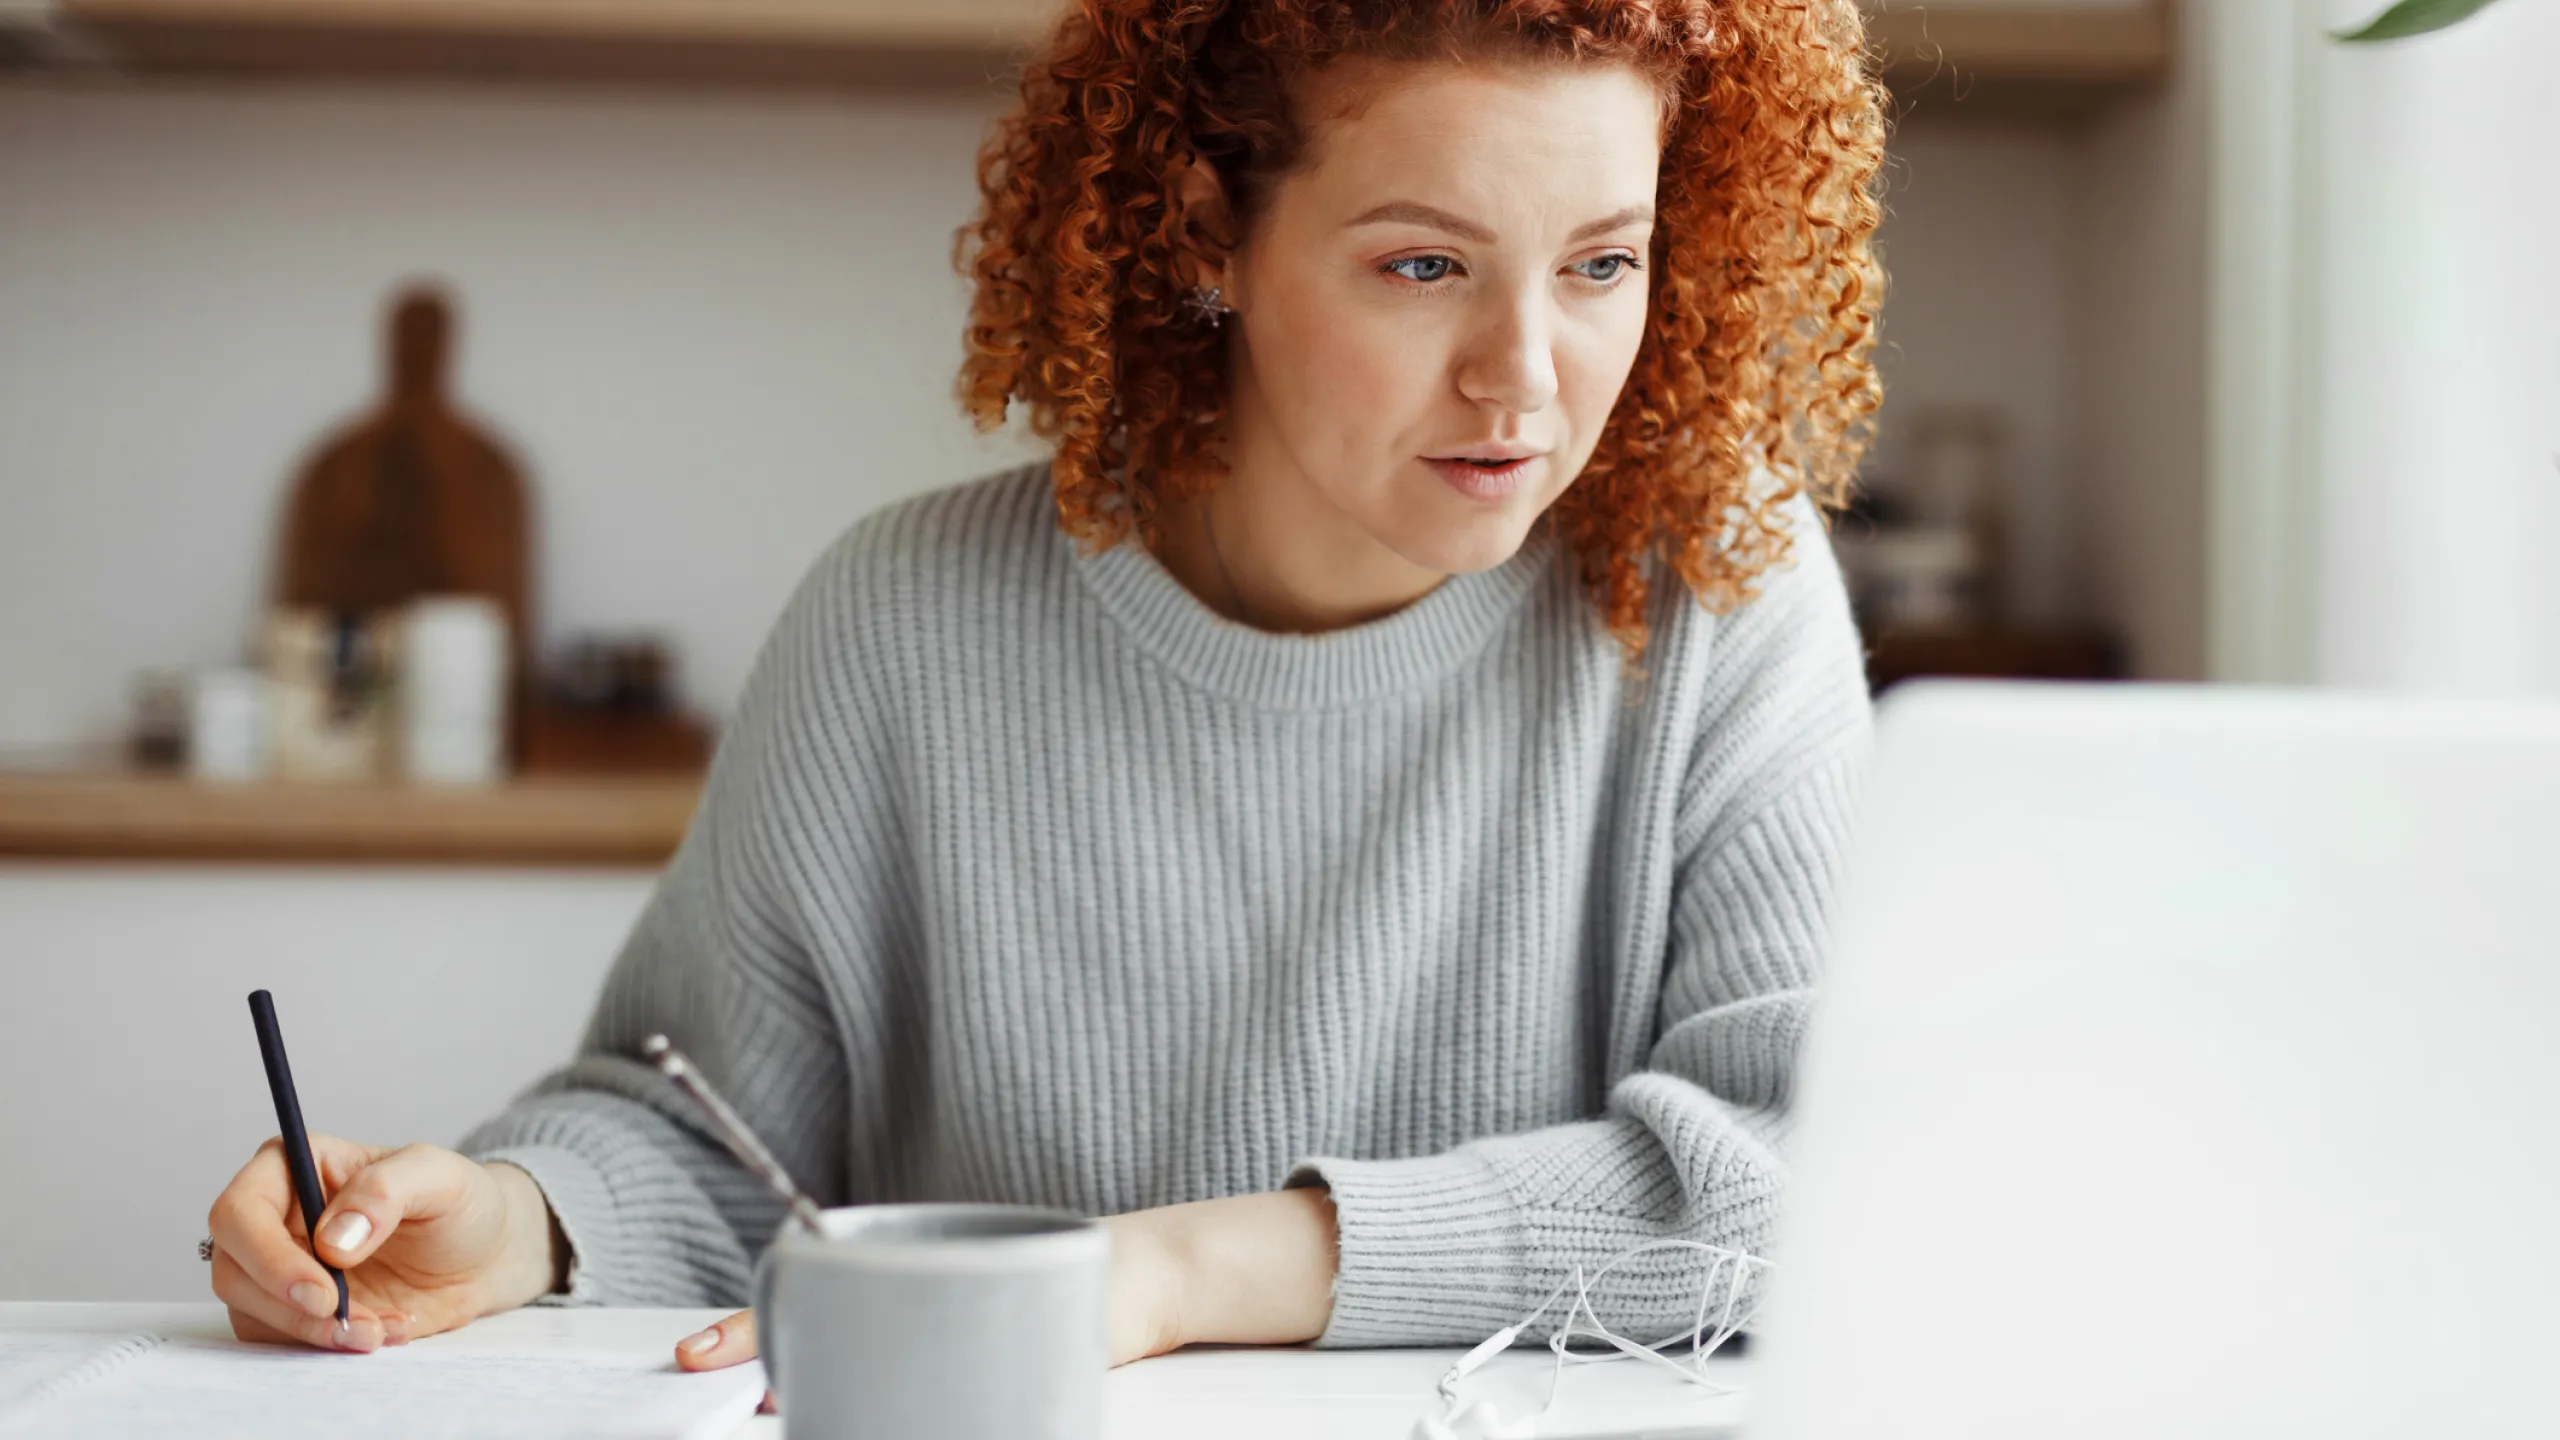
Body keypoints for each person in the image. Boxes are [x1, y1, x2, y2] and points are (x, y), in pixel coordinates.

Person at [203, 0, 1886, 1375]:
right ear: (1214, 233)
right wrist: (517, 1220)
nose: (1526, 376)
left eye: (1603, 264)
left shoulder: (1721, 589)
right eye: (1423, 266)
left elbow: (1815, 1179)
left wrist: (1176, 1274)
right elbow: (706, 1128)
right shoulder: (905, 622)